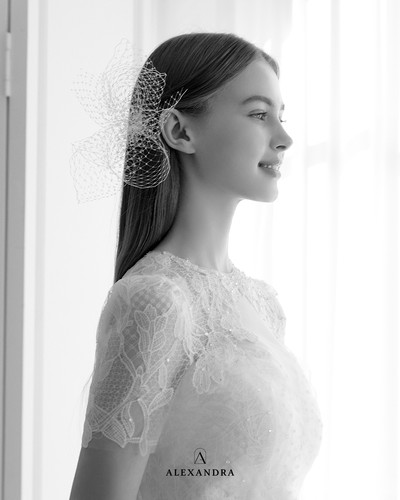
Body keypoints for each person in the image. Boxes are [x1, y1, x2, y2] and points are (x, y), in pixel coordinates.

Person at [69, 32, 323, 500]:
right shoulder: (154, 301)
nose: (285, 139)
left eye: (281, 117)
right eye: (259, 114)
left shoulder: (262, 306)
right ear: (180, 131)